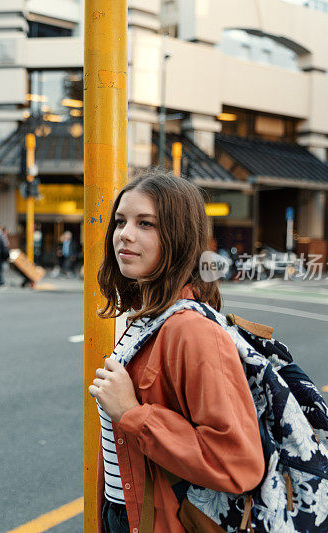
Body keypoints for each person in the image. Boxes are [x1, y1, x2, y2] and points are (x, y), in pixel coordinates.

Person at [89, 169, 264, 533]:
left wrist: (132, 413)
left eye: (146, 224)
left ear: (179, 237)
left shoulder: (191, 330)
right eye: (121, 221)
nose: (125, 234)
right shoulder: (147, 317)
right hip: (126, 513)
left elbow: (238, 463)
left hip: (162, 521)